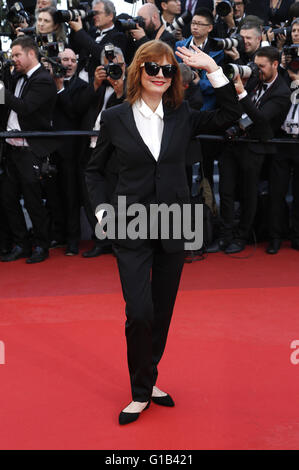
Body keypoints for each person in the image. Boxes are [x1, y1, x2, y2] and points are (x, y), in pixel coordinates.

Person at [85, 40, 240, 424]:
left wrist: (211, 68)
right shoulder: (116, 117)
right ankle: (141, 391)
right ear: (139, 70)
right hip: (130, 223)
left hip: (174, 222)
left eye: (168, 69)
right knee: (139, 311)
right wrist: (104, 215)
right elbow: (93, 171)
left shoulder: (183, 115)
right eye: (152, 67)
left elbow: (230, 112)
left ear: (175, 78)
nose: (159, 74)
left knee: (162, 311)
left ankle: (148, 377)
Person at [0, 35, 57, 263]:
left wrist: (2, 92)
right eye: (12, 55)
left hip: (30, 150)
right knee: (8, 198)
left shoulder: (43, 79)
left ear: (31, 53)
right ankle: (22, 244)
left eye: (17, 55)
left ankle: (42, 246)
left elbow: (25, 108)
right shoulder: (16, 77)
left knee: (34, 201)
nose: (14, 60)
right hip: (11, 149)